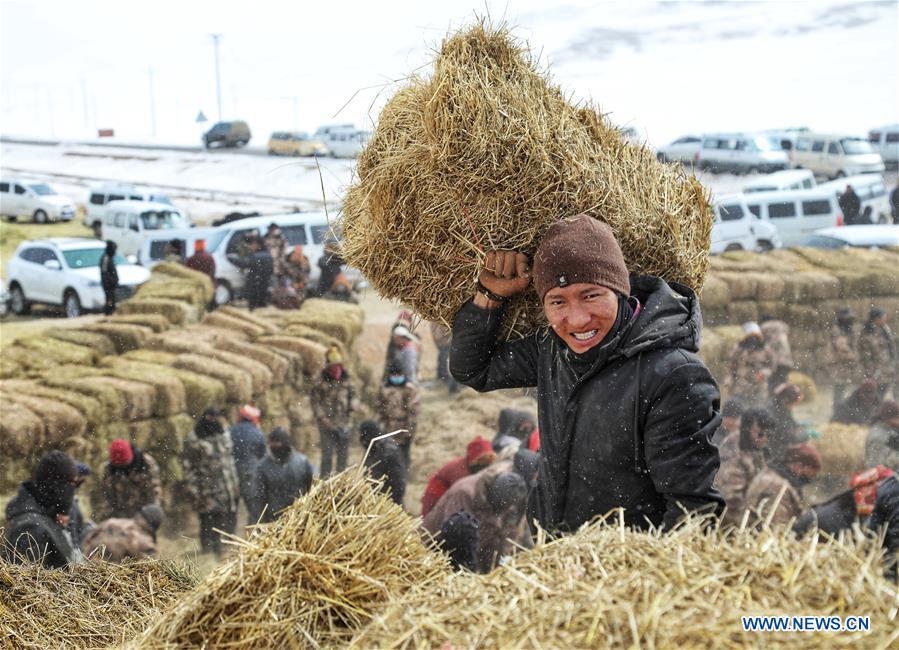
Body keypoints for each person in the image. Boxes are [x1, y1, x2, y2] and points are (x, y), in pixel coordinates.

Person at [450, 215, 724, 533]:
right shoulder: (553, 350)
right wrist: (490, 295)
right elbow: (473, 369)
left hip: (617, 570)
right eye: (557, 301)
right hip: (555, 556)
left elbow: (693, 513)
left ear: (619, 290)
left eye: (591, 295)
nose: (578, 320)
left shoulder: (673, 376)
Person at [422, 463, 530, 573]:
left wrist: (494, 569)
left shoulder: (507, 500)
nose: (507, 510)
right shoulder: (465, 493)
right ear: (494, 495)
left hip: (468, 552)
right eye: (503, 507)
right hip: (432, 547)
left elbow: (499, 539)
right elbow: (454, 535)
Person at [3, 450, 79, 568]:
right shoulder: (30, 529)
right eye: (73, 484)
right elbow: (25, 584)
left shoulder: (45, 517)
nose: (73, 491)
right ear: (58, 485)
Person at [181, 407, 240, 555]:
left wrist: (234, 483)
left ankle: (219, 549)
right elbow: (188, 466)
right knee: (206, 520)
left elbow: (229, 461)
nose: (213, 420)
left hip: (224, 486)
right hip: (205, 488)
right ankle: (207, 551)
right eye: (210, 417)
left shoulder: (224, 434)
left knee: (222, 518)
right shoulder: (193, 438)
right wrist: (193, 489)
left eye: (216, 417)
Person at [716, 408, 773, 525]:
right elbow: (731, 502)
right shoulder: (732, 453)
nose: (765, 439)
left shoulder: (755, 447)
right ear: (746, 429)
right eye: (761, 434)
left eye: (769, 435)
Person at [745, 443, 821, 525]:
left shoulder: (773, 476)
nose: (812, 477)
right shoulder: (778, 487)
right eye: (811, 473)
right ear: (799, 466)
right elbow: (777, 527)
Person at [421, 435, 496, 517]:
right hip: (436, 496)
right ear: (474, 460)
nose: (485, 464)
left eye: (488, 461)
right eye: (482, 460)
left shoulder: (471, 468)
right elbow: (460, 493)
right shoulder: (460, 471)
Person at [310, 346, 357, 476]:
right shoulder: (320, 380)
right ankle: (325, 480)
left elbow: (354, 395)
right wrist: (321, 417)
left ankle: (341, 479)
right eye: (333, 366)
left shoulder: (347, 378)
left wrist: (353, 405)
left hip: (344, 421)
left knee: (343, 454)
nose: (336, 369)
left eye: (338, 366)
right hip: (327, 424)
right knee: (327, 454)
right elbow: (315, 401)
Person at [252, 428, 315, 523]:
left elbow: (312, 487)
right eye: (272, 443)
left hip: (300, 516)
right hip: (274, 519)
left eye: (277, 442)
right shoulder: (263, 467)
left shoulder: (302, 462)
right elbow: (259, 497)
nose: (274, 446)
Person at [97, 439, 162, 521]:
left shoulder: (147, 464)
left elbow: (155, 490)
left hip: (142, 512)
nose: (122, 467)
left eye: (124, 464)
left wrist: (152, 514)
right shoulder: (110, 469)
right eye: (119, 465)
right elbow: (106, 496)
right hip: (120, 514)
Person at [81, 503, 164, 562]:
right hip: (106, 578)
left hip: (83, 564)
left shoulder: (112, 521)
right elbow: (151, 568)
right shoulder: (145, 542)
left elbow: (87, 539)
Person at [376, 360, 421, 468]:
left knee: (403, 455)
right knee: (388, 455)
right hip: (388, 428)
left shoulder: (409, 389)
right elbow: (379, 408)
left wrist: (410, 429)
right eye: (394, 375)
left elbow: (413, 411)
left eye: (399, 375)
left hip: (404, 427)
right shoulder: (384, 389)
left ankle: (404, 474)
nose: (397, 377)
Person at [229, 404, 267, 521]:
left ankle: (229, 534)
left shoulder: (230, 431)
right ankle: (253, 533)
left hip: (232, 472)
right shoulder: (257, 433)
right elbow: (262, 455)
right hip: (250, 473)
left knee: (231, 508)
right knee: (253, 507)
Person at [722, 322, 772, 406]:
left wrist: (763, 373)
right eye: (750, 337)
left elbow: (771, 366)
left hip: (759, 387)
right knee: (738, 410)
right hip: (740, 387)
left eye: (755, 337)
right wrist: (728, 382)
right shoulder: (738, 349)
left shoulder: (765, 349)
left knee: (757, 411)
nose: (753, 339)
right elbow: (730, 367)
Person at [359, 420, 406, 506]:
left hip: (386, 500)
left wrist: (392, 503)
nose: (361, 439)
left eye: (362, 435)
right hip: (374, 498)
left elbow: (398, 483)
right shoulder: (373, 447)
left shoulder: (388, 451)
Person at [766, 383, 808, 473]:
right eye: (793, 404)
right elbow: (787, 436)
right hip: (774, 450)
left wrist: (799, 425)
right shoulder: (774, 414)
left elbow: (789, 421)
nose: (793, 407)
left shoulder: (782, 406)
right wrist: (805, 435)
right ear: (786, 400)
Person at [227, 235, 274, 311]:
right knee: (262, 307)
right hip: (265, 285)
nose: (251, 246)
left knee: (254, 307)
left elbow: (244, 264)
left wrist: (230, 258)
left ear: (258, 245)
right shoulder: (268, 255)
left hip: (255, 286)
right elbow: (271, 270)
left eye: (253, 244)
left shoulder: (257, 256)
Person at [858, 307, 896, 400]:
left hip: (888, 367)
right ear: (876, 319)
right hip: (877, 371)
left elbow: (891, 347)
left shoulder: (885, 329)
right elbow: (866, 356)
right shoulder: (867, 334)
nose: (885, 319)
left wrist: (894, 362)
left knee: (886, 390)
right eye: (883, 317)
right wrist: (872, 372)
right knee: (876, 394)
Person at [830, 307, 860, 409]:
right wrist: (853, 357)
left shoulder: (849, 330)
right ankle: (837, 412)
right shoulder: (837, 330)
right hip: (839, 365)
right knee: (839, 390)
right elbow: (842, 348)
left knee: (843, 389)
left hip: (846, 366)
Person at [865, 400, 899, 473]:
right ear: (887, 418)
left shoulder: (888, 430)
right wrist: (895, 459)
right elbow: (875, 467)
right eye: (897, 416)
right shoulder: (878, 437)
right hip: (884, 482)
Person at [760, 318, 793, 390]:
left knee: (772, 385)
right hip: (786, 361)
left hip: (774, 362)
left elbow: (764, 344)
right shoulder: (782, 325)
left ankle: (774, 398)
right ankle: (783, 397)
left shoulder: (764, 326)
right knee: (782, 384)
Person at [430, 322, 458, 393]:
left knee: (448, 363)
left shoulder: (437, 321)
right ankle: (447, 381)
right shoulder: (439, 322)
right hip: (446, 344)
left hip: (447, 343)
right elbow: (437, 334)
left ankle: (445, 378)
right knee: (450, 365)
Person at [99, 240, 119, 315]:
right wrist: (111, 282)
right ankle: (108, 314)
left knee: (112, 301)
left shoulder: (109, 257)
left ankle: (110, 313)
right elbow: (104, 273)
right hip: (108, 286)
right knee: (109, 302)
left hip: (111, 285)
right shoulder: (106, 258)